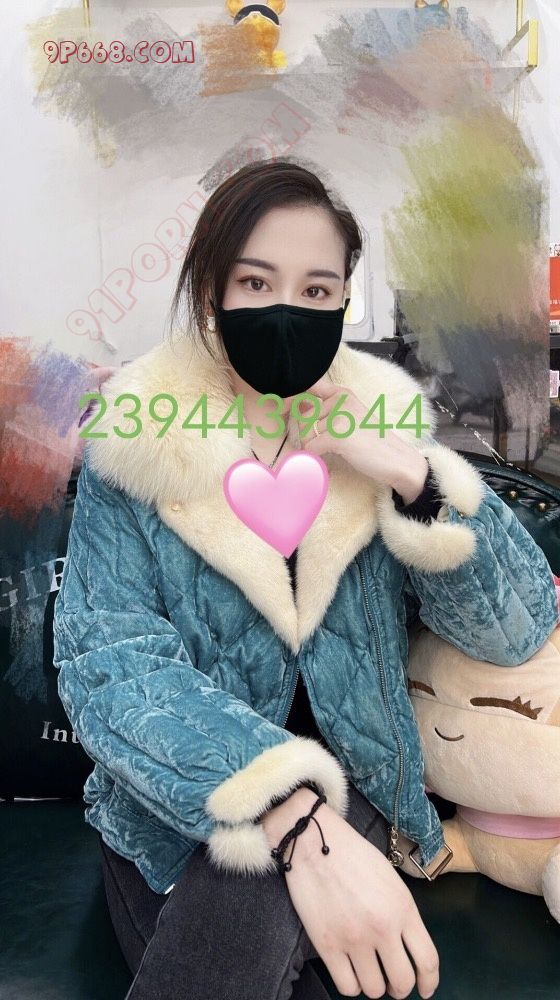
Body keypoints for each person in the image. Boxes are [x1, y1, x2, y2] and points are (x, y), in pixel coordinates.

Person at [53, 159, 559, 1000]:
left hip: (358, 780)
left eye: (317, 290)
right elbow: (112, 671)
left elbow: (516, 633)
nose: (287, 309)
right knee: (252, 901)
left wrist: (407, 474)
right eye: (256, 282)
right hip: (177, 805)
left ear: (344, 301)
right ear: (211, 291)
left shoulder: (382, 424)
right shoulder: (134, 443)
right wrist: (292, 813)